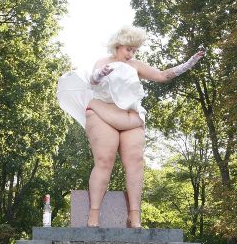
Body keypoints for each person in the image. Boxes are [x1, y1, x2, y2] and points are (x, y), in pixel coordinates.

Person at [57, 25, 204, 228]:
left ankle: (135, 216)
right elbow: (93, 81)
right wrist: (99, 75)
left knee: (135, 162)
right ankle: (93, 214)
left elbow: (161, 76)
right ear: (117, 46)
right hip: (103, 113)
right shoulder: (102, 62)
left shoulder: (135, 65)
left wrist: (188, 64)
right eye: (128, 49)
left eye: (134, 50)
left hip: (131, 117)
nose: (131, 54)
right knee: (104, 160)